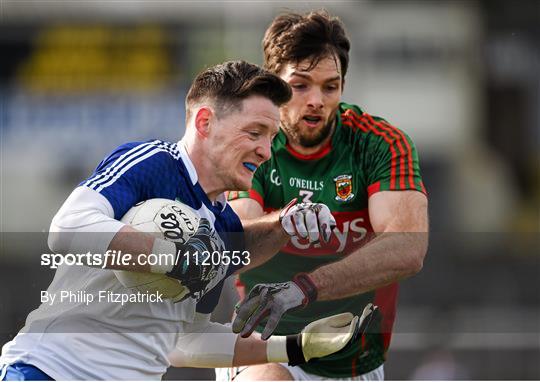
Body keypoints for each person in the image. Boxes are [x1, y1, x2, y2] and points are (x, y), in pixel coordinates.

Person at [0, 61, 364, 380]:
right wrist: (171, 255)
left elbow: (186, 340)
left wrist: (297, 347)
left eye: (271, 138)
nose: (266, 151)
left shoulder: (225, 229)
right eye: (254, 133)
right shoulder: (154, 163)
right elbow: (66, 228)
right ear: (205, 122)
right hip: (46, 370)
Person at [224, 10, 429, 381]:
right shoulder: (248, 143)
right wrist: (283, 223)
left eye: (329, 87)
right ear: (273, 85)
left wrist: (304, 289)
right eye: (300, 85)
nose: (316, 100)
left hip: (351, 362)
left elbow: (408, 248)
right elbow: (236, 246)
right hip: (263, 346)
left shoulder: (380, 144)